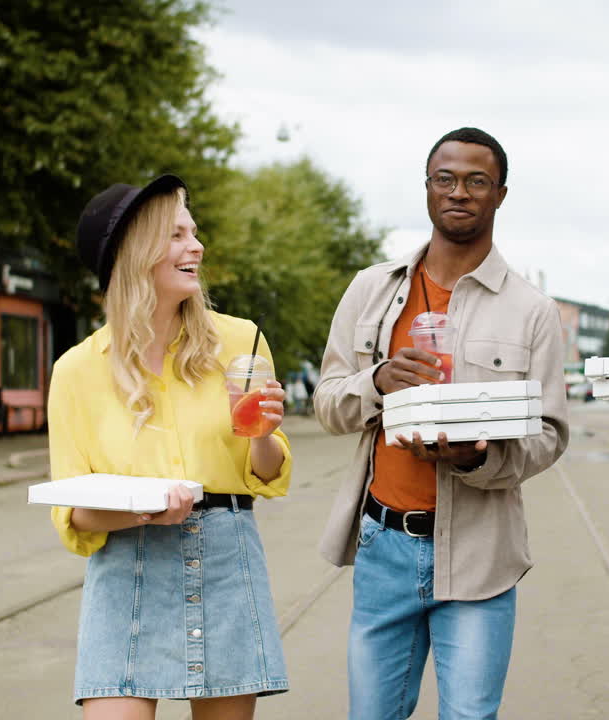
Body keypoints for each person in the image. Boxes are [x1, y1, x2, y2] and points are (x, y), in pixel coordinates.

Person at [314, 127, 569, 720]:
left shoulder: (531, 310)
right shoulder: (371, 290)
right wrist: (377, 381)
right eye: (445, 179)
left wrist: (478, 457)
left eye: (477, 181)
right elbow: (327, 403)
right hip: (384, 544)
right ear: (427, 189)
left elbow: (550, 435)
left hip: (481, 553)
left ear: (500, 194)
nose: (460, 192)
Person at [48, 175, 292, 719]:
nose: (196, 246)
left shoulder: (240, 340)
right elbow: (75, 515)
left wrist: (262, 431)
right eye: (177, 235)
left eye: (195, 232)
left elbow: (267, 473)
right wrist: (142, 512)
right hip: (127, 566)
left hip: (227, 557)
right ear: (137, 254)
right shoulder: (76, 371)